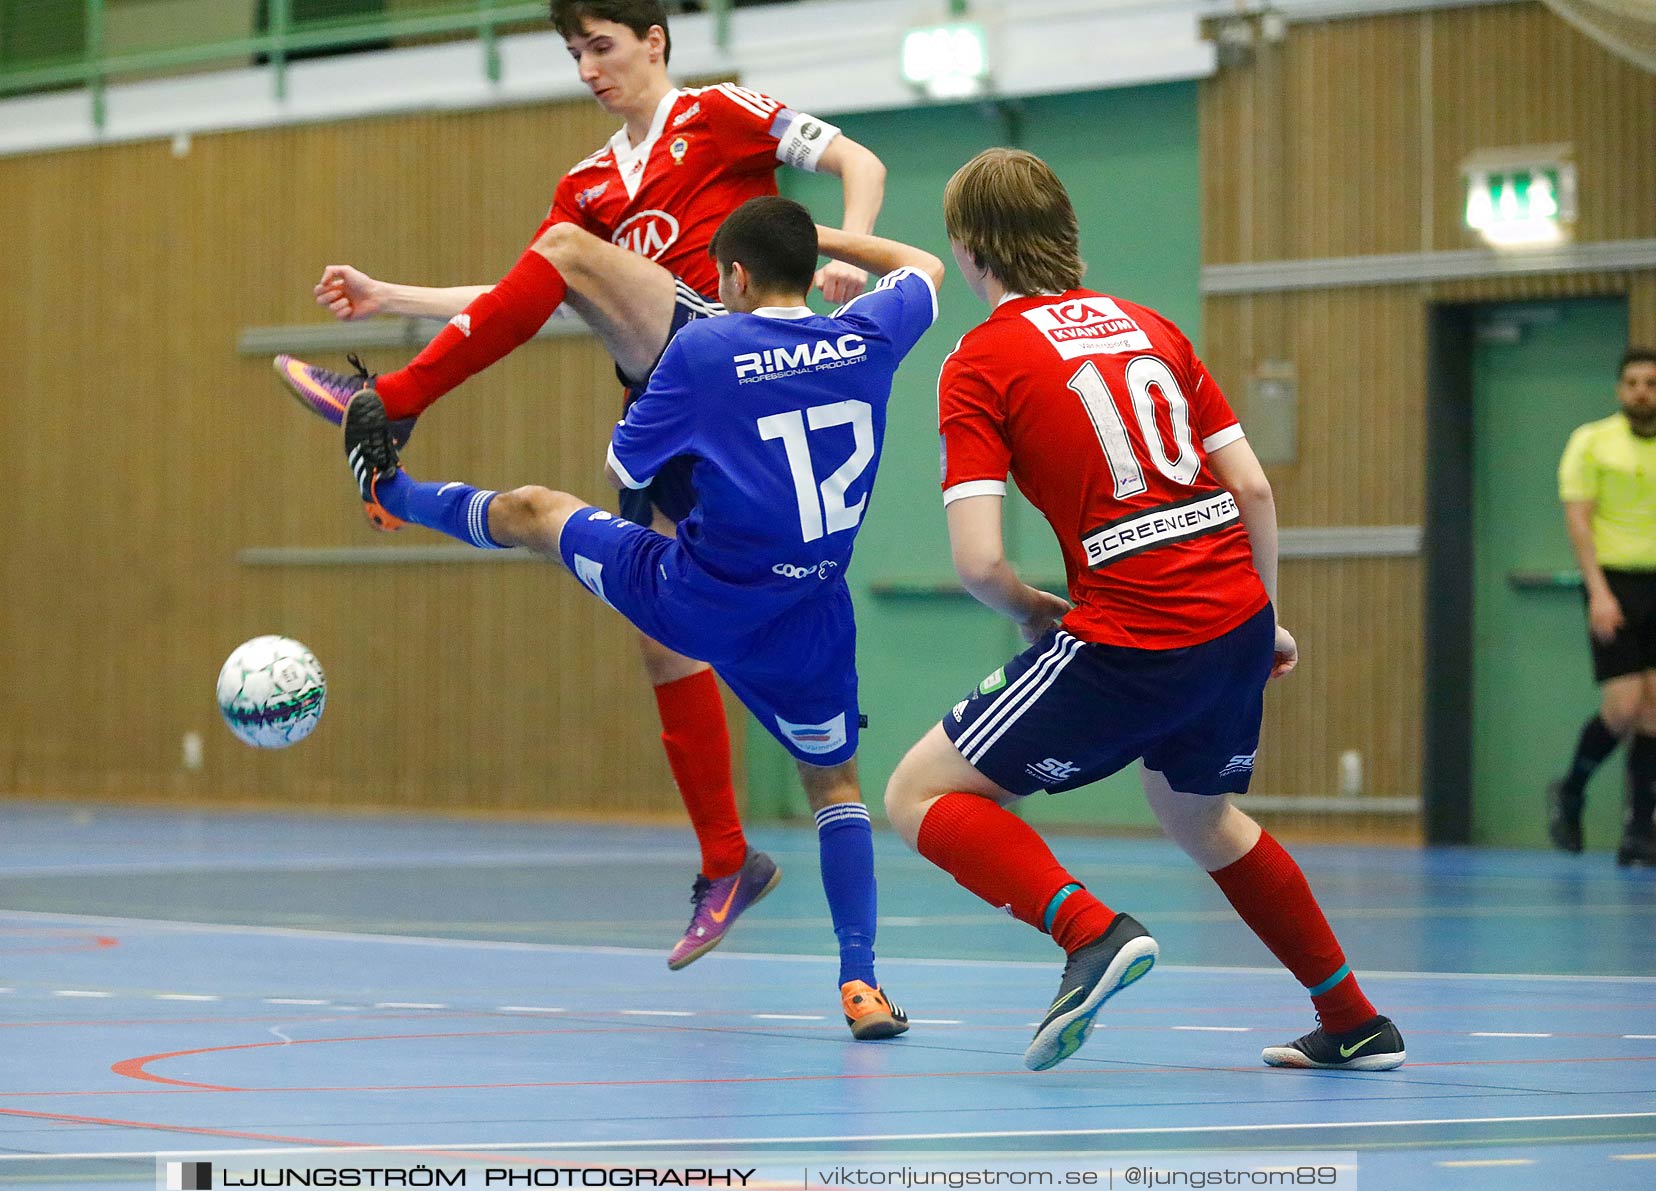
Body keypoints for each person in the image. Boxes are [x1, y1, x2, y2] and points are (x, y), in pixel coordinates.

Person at [274, 0, 890, 966]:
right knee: (661, 641)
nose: (586, 68)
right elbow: (526, 290)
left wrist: (844, 254)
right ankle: (728, 860)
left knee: (564, 260)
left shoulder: (722, 112)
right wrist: (394, 296)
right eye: (572, 53)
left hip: (725, 348)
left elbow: (863, 162)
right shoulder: (590, 182)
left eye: (600, 46)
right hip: (672, 405)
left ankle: (388, 404)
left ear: (655, 41)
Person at [336, 197, 941, 1035]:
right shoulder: (874, 331)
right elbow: (924, 264)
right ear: (805, 268)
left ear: (730, 276)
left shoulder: (704, 347)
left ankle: (391, 491)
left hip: (693, 596)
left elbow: (627, 461)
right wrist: (825, 239)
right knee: (834, 786)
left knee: (539, 514)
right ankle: (861, 983)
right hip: (809, 612)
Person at [880, 148, 1405, 1073]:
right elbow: (1253, 491)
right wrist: (1264, 622)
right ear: (1066, 233)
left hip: (1135, 629)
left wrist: (1032, 608)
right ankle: (1356, 1020)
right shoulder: (1151, 328)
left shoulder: (979, 361)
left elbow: (979, 561)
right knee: (1202, 817)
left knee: (918, 793)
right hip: (1232, 616)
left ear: (969, 252)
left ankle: (1090, 932)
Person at [1549, 349, 1656, 867]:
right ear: (1620, 390)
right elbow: (1579, 520)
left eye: (1651, 382)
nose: (1642, 391)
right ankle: (1571, 791)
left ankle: (1639, 831)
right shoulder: (1592, 443)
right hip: (1615, 583)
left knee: (1655, 711)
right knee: (1623, 707)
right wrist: (1599, 591)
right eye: (1633, 382)